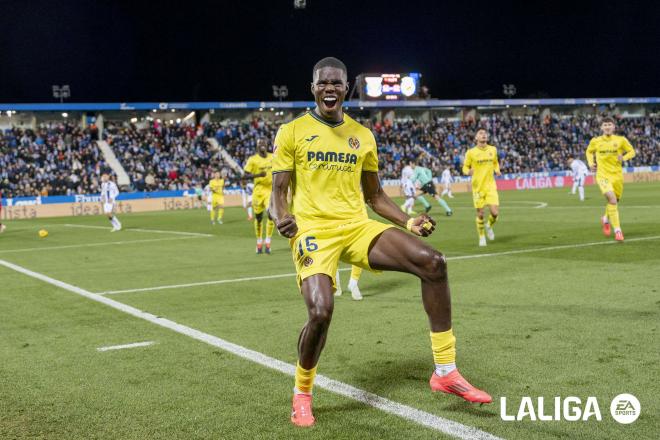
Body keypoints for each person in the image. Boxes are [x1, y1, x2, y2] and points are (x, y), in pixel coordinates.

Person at [270, 57, 491, 428]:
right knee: (321, 312)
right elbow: (279, 190)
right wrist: (281, 216)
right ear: (312, 88)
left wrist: (409, 220)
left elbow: (374, 197)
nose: (330, 88)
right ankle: (302, 393)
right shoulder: (291, 132)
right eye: (323, 83)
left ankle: (445, 371)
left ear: (346, 89)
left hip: (357, 226)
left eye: (337, 83)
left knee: (433, 263)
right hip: (312, 232)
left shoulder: (363, 136)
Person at [585, 117, 636, 241]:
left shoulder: (621, 140)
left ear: (614, 127)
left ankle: (606, 219)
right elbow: (589, 152)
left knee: (614, 201)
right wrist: (591, 163)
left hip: (617, 176)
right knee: (612, 199)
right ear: (601, 127)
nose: (607, 126)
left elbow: (632, 152)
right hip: (602, 175)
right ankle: (618, 231)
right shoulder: (595, 141)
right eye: (605, 124)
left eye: (609, 124)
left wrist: (623, 158)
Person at [462, 128, 501, 247]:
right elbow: (464, 167)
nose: (483, 135)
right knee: (480, 214)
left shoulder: (493, 150)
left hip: (490, 186)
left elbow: (495, 162)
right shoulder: (471, 152)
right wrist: (468, 172)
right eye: (480, 133)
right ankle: (482, 236)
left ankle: (489, 226)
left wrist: (497, 170)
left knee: (495, 213)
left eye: (485, 133)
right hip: (478, 187)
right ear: (476, 138)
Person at [242, 138, 274, 254]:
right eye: (260, 143)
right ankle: (259, 241)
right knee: (259, 218)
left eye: (264, 142)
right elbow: (244, 176)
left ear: (267, 144)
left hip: (270, 191)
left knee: (271, 214)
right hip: (258, 192)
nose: (262, 144)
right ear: (257, 146)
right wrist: (258, 175)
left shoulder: (273, 157)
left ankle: (268, 241)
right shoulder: (252, 160)